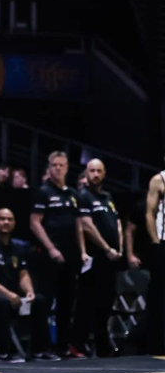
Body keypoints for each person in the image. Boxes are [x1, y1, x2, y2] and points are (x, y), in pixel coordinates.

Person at [28, 151, 88, 360]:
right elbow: (35, 222)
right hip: (49, 255)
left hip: (71, 255)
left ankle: (63, 346)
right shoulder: (43, 192)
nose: (58, 169)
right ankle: (41, 347)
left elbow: (79, 224)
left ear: (67, 168)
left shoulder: (73, 194)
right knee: (44, 301)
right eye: (54, 165)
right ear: (49, 167)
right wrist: (51, 248)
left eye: (61, 165)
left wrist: (82, 251)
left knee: (67, 301)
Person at [0, 207, 46, 361]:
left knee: (39, 300)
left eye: (9, 219)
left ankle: (39, 350)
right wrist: (7, 294)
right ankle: (4, 351)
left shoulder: (18, 248)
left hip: (12, 296)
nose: (6, 222)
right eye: (2, 219)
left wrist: (29, 291)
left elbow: (23, 274)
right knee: (1, 302)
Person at [75, 158, 123, 357]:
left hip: (111, 259)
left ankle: (103, 345)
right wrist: (106, 248)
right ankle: (79, 344)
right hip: (95, 257)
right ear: (86, 173)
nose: (95, 174)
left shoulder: (107, 197)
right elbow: (86, 226)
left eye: (99, 171)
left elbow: (117, 223)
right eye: (92, 171)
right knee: (88, 302)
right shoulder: (83, 196)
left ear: (104, 173)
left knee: (106, 301)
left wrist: (119, 247)